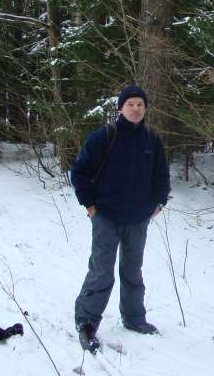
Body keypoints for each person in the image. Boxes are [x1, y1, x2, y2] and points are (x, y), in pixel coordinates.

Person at [71, 85, 170, 353]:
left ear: (145, 108)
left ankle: (134, 318)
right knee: (102, 270)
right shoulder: (106, 135)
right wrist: (90, 204)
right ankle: (87, 322)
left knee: (132, 271)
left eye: (140, 104)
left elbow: (162, 175)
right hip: (106, 216)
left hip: (138, 219)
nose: (136, 108)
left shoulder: (151, 139)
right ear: (120, 108)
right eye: (130, 104)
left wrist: (159, 201)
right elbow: (79, 171)